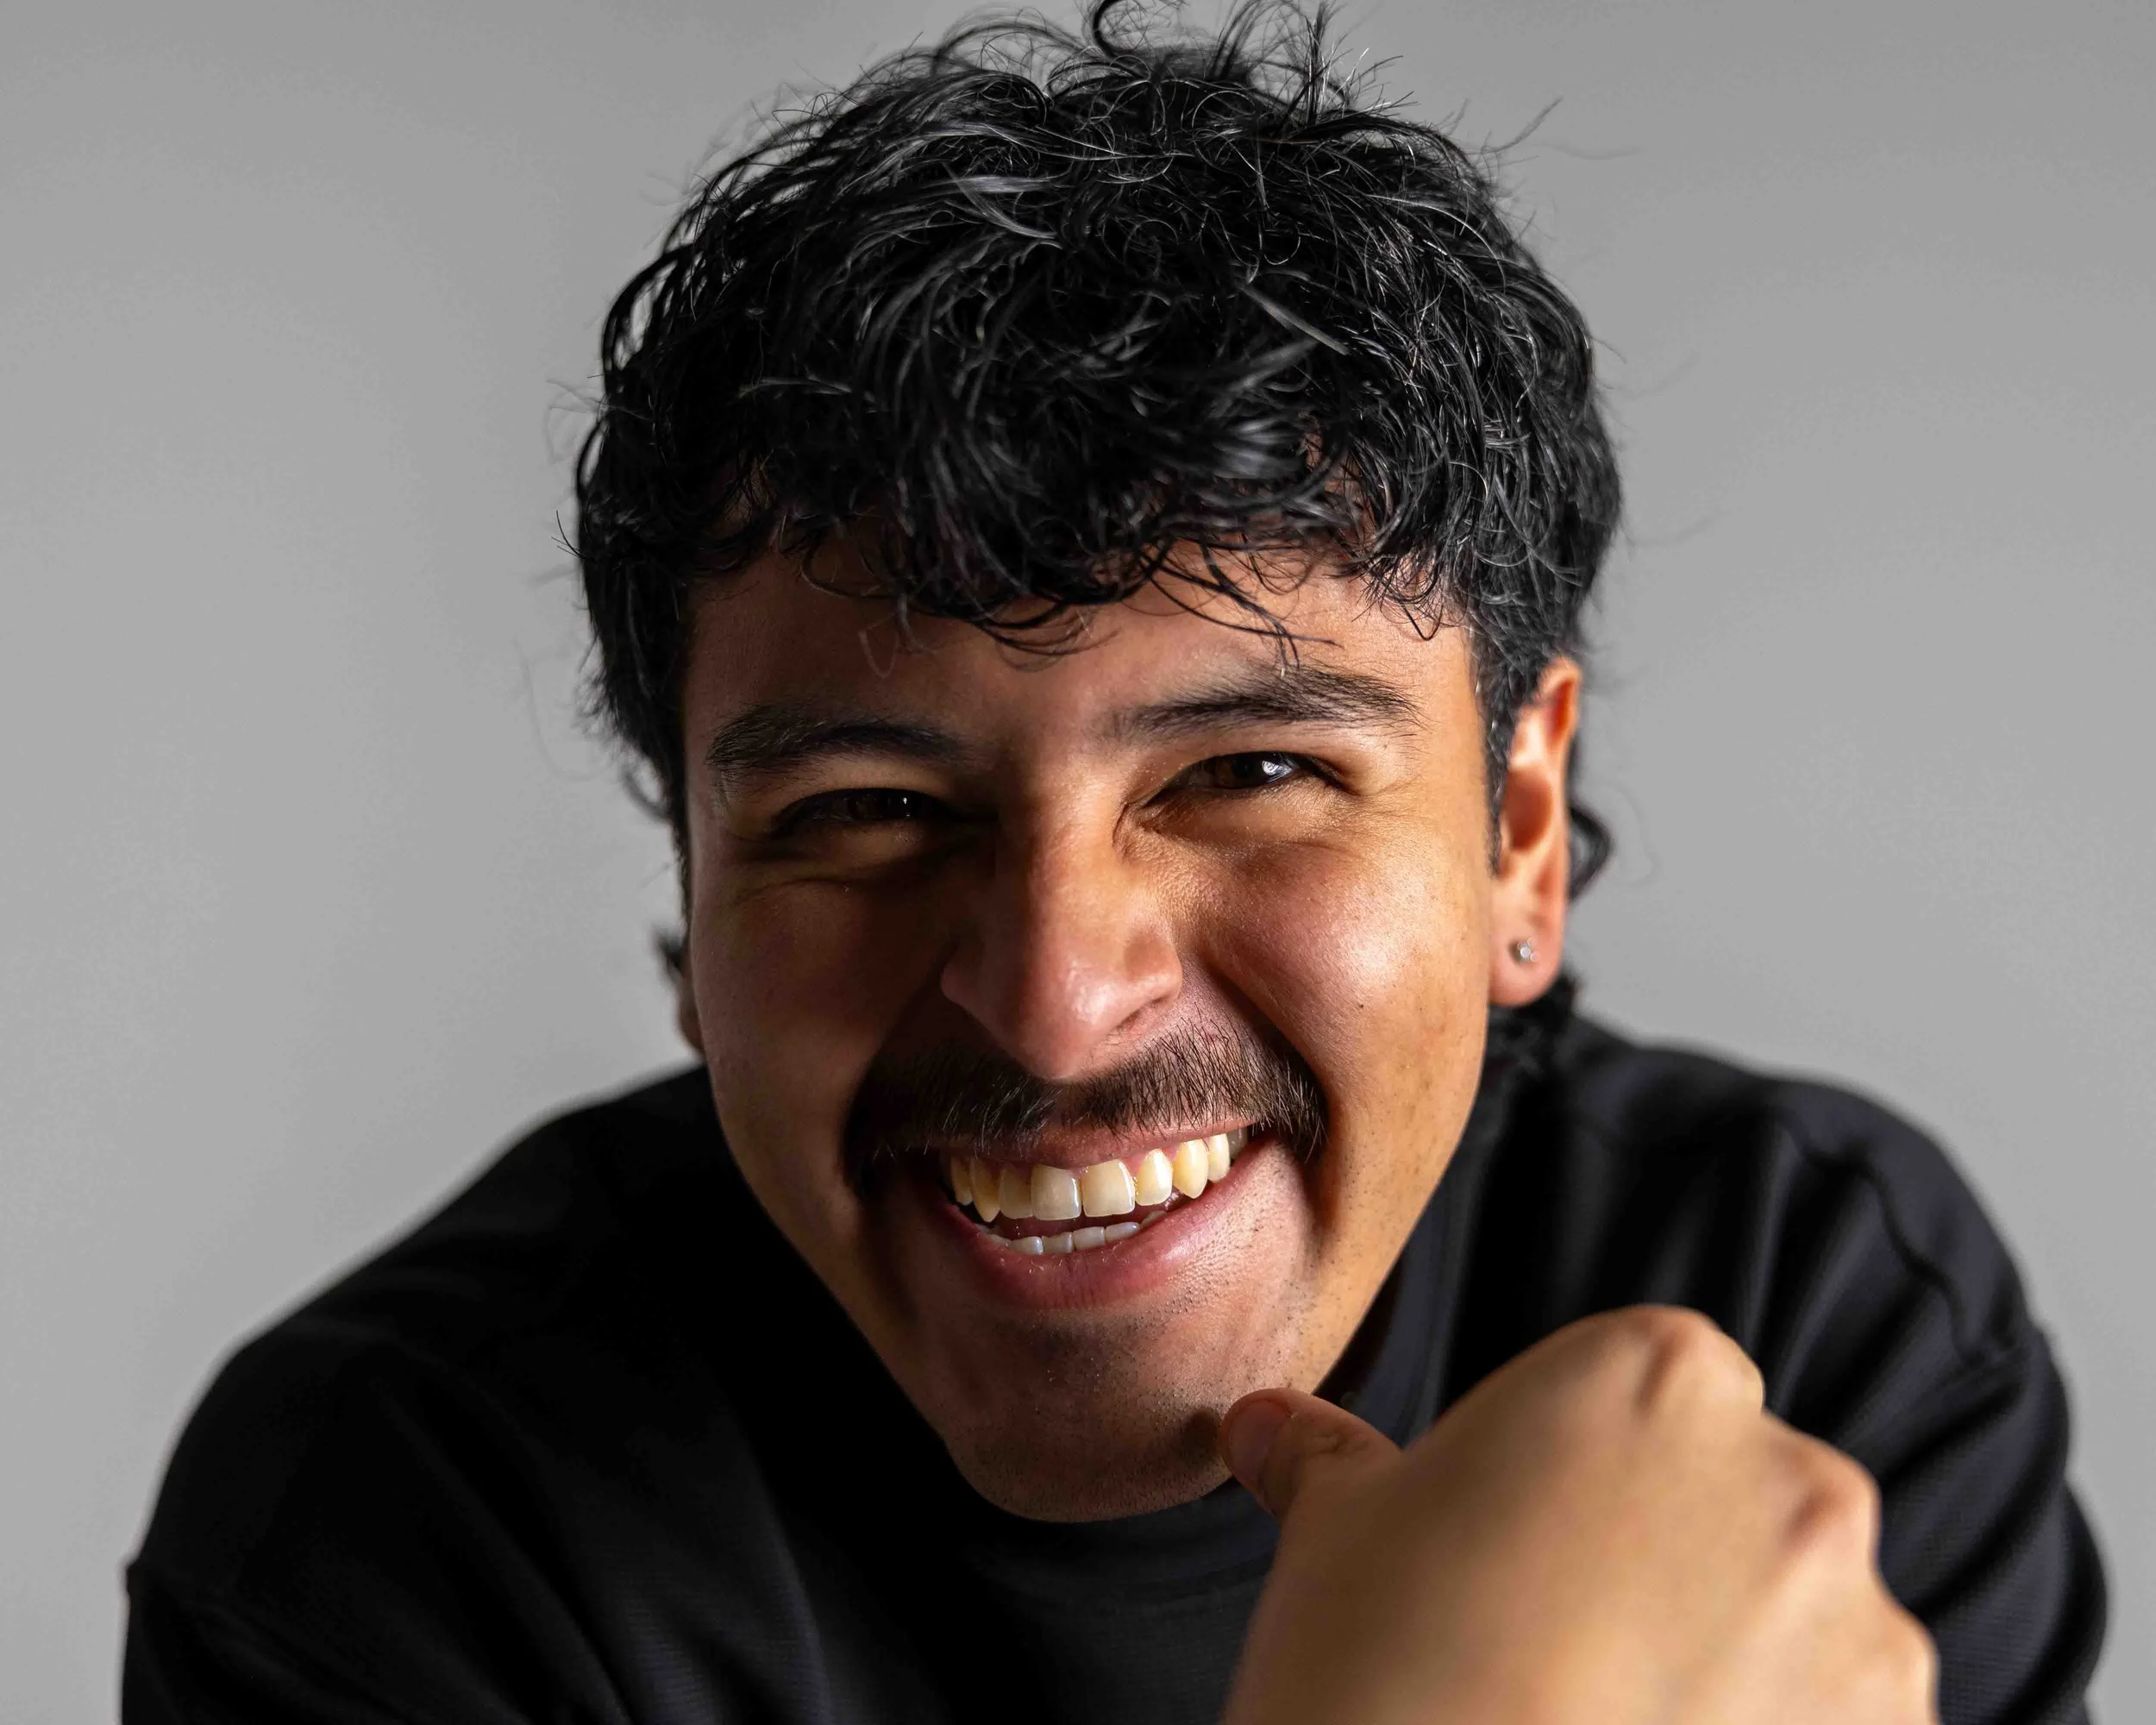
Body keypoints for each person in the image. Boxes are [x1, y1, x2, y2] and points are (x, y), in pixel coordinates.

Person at [123, 4, 2106, 1720]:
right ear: (691, 906)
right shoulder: (405, 1513)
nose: (1059, 1004)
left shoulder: (1806, 1324)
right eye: (869, 817)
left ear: (1513, 835)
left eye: (1248, 769)